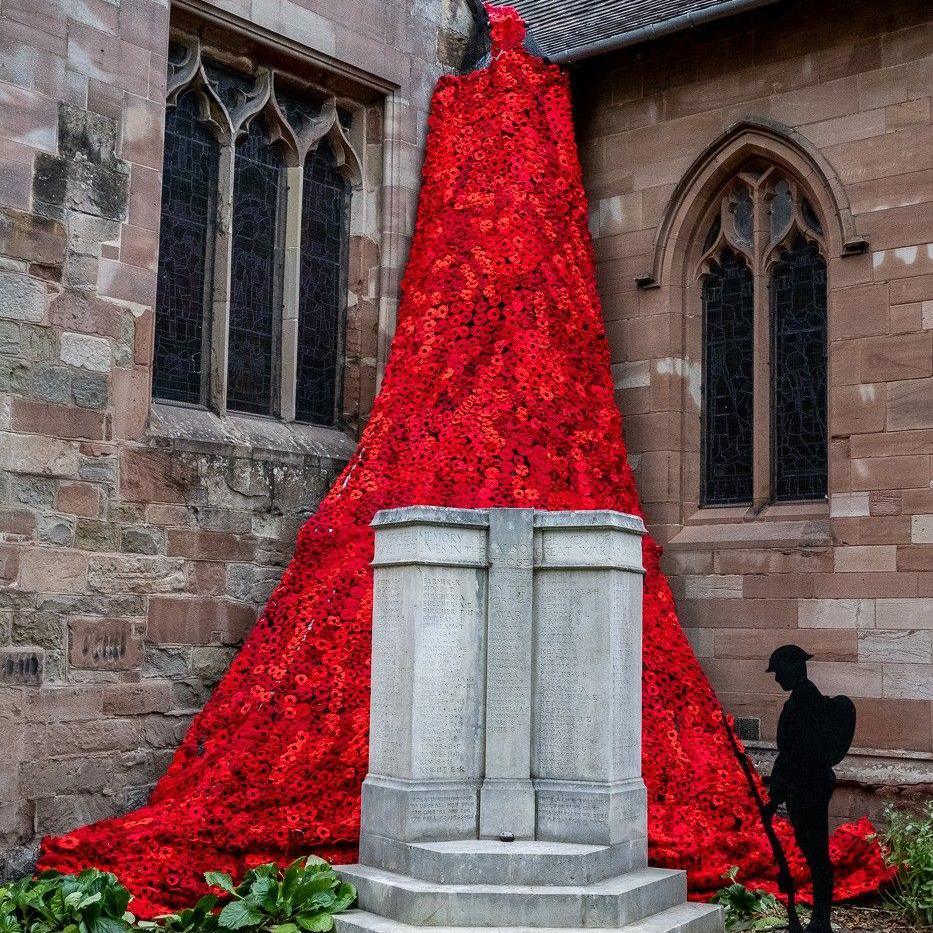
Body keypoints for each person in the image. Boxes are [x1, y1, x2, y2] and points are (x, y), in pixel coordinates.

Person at [763, 645, 853, 933]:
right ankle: (818, 919)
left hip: (807, 788)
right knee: (811, 851)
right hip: (801, 786)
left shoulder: (807, 704)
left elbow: (794, 755)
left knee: (816, 855)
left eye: (778, 672)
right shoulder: (798, 701)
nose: (777, 679)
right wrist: (775, 795)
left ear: (794, 668)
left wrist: (775, 794)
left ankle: (820, 920)